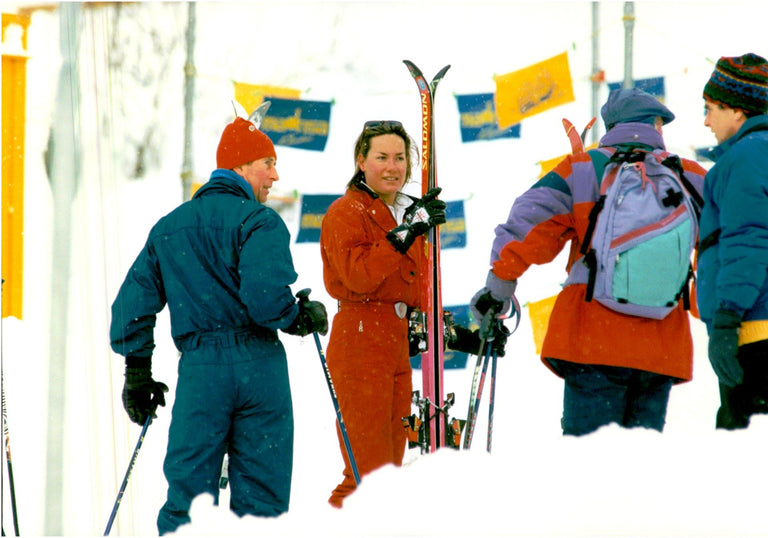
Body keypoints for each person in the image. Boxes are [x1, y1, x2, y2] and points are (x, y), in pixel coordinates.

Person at [109, 115, 328, 534]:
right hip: (258, 366)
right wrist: (299, 317)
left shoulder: (170, 227)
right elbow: (266, 298)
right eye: (268, 162)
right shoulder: (259, 222)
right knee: (262, 498)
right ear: (242, 166)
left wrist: (137, 372)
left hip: (201, 370)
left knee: (189, 494)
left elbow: (131, 307)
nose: (275, 175)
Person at [470, 88, 707, 436]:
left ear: (610, 125)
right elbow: (726, 246)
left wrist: (499, 288)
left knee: (589, 467)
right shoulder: (691, 175)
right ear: (656, 124)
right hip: (661, 346)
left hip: (591, 340)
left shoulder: (584, 169)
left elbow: (527, 223)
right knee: (639, 468)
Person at [320, 120, 485, 507]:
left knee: (389, 474)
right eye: (381, 157)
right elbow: (359, 275)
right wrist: (406, 232)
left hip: (392, 341)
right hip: (360, 337)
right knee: (366, 473)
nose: (393, 167)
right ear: (361, 161)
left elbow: (413, 292)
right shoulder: (346, 211)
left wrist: (460, 335)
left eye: (400, 157)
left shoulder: (400, 213)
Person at [698, 53, 768, 429]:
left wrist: (727, 319)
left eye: (710, 109)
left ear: (736, 111)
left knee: (748, 467)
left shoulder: (746, 158)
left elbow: (748, 241)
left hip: (752, 330)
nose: (706, 121)